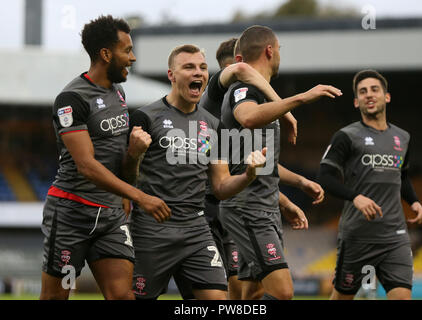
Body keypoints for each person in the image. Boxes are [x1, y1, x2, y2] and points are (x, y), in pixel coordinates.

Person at [40, 15, 170, 300]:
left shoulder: (118, 93)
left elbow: (119, 158)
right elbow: (87, 166)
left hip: (110, 217)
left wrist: (134, 155)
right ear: (106, 54)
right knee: (57, 297)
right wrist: (139, 196)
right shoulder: (71, 99)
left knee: (123, 296)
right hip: (72, 215)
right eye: (127, 50)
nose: (133, 58)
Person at [128, 44, 267, 300]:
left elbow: (221, 187)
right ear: (171, 75)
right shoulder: (145, 117)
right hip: (152, 230)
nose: (198, 73)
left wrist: (248, 175)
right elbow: (125, 177)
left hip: (196, 229)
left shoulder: (214, 125)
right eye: (188, 67)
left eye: (202, 67)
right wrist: (133, 153)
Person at [219, 25, 341, 300]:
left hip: (263, 206)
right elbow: (247, 116)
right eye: (279, 51)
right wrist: (302, 97)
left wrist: (299, 182)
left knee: (252, 293)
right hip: (247, 208)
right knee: (283, 291)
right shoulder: (243, 89)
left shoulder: (264, 96)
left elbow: (261, 163)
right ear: (270, 51)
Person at [318, 69, 422, 300]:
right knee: (342, 296)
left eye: (374, 89)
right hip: (358, 236)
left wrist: (414, 201)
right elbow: (324, 177)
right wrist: (355, 197)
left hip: (395, 236)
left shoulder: (403, 138)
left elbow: (402, 176)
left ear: (386, 96)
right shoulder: (346, 136)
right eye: (363, 92)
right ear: (357, 102)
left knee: (402, 297)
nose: (369, 94)